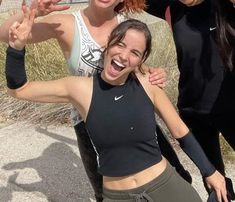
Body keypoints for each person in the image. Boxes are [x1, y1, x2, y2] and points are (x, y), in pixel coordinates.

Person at [5, 7, 228, 201]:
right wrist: (16, 47)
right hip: (118, 195)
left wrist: (211, 172)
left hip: (165, 186)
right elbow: (20, 90)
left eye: (134, 53)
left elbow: (181, 131)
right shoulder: (80, 88)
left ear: (141, 60)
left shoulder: (148, 85)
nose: (123, 55)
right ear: (107, 46)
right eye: (120, 45)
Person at [146, 0, 235, 200]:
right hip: (193, 110)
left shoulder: (224, 5)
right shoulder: (170, 8)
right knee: (214, 182)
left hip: (231, 108)